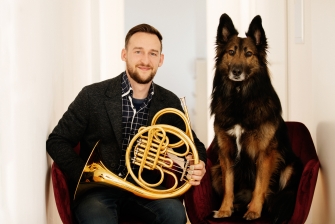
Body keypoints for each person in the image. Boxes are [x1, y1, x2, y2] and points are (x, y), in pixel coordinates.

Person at [46, 23, 207, 224]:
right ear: (124, 54)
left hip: (146, 190)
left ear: (161, 60)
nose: (145, 60)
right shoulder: (92, 95)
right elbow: (57, 140)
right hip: (99, 191)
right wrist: (86, 174)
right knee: (96, 218)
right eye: (138, 51)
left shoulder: (169, 102)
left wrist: (198, 163)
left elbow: (195, 145)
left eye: (153, 54)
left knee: (175, 214)